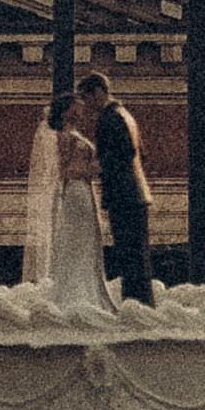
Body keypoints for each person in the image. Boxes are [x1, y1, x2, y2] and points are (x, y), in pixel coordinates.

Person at [22, 93, 118, 316]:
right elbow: (64, 171)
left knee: (86, 240)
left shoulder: (75, 135)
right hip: (77, 192)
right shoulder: (66, 137)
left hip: (84, 190)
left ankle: (88, 291)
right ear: (66, 112)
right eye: (77, 108)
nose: (81, 111)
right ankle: (75, 295)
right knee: (78, 240)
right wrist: (96, 168)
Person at [77, 71, 153, 303]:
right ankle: (141, 302)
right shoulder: (125, 114)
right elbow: (141, 153)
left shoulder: (110, 118)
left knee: (129, 253)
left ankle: (134, 304)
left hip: (124, 194)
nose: (86, 106)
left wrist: (96, 167)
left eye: (86, 98)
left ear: (98, 91)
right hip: (135, 191)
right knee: (137, 253)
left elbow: (123, 153)